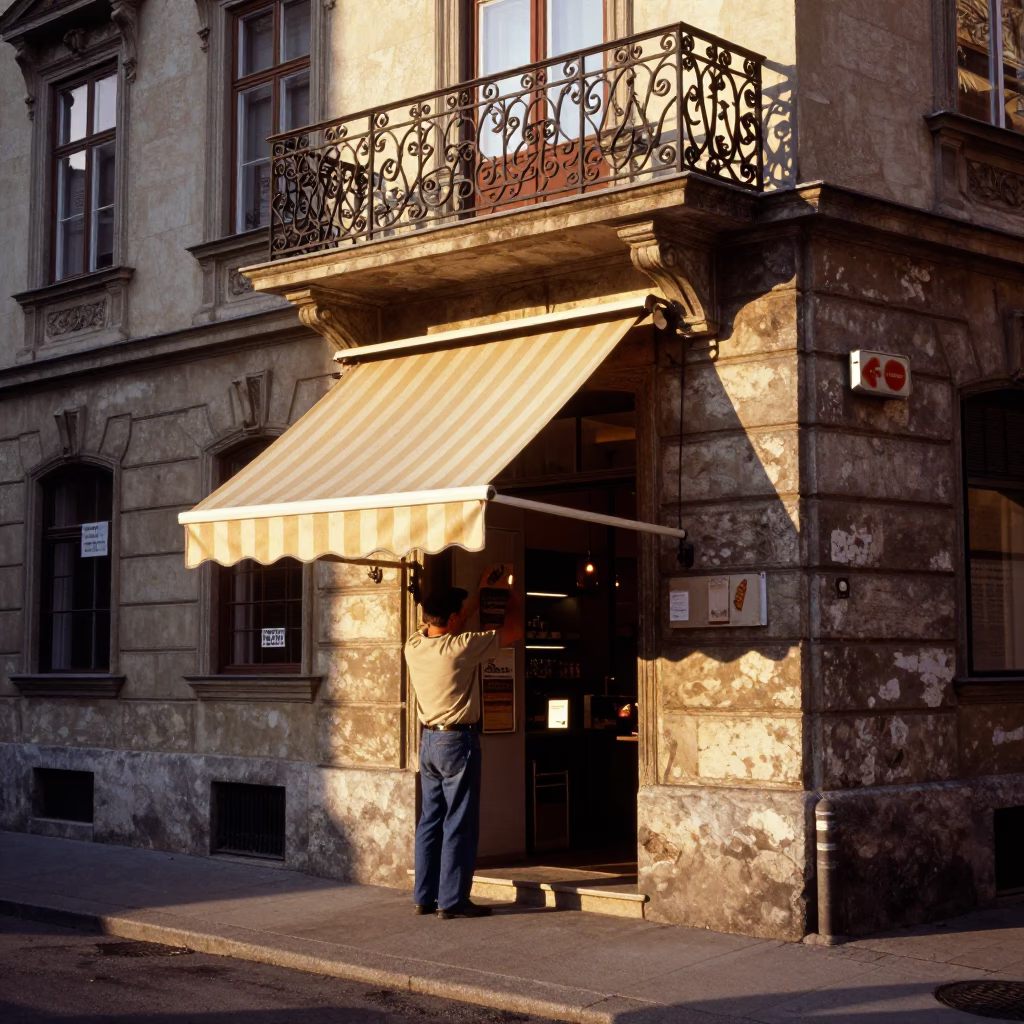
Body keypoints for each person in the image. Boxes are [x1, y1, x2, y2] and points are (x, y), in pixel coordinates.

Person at [405, 567, 524, 919]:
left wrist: (475, 594)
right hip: (458, 740)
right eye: (460, 614)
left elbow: (440, 620)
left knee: (430, 820)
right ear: (455, 618)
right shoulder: (462, 646)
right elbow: (515, 630)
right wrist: (509, 595)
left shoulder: (414, 645)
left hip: (429, 741)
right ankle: (453, 900)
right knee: (459, 820)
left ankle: (424, 897)